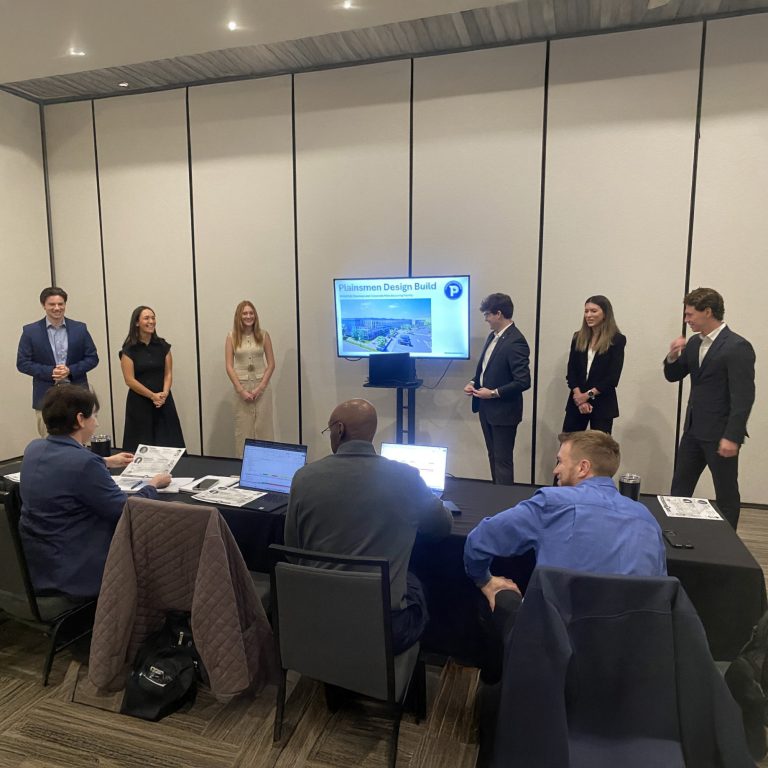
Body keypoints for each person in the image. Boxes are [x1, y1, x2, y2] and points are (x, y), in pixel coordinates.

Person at [285, 399, 453, 654]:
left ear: (339, 430)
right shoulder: (406, 477)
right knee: (415, 582)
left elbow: (292, 549)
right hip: (384, 628)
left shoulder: (303, 477)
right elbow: (442, 528)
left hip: (318, 619)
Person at [464, 430, 667, 611]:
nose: (555, 470)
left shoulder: (551, 504)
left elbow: (480, 540)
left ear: (583, 468)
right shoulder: (647, 519)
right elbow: (660, 591)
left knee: (497, 598)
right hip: (631, 638)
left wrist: (484, 580)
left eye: (560, 461)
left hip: (555, 637)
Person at [19, 385, 171, 598]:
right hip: (79, 571)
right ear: (80, 419)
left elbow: (64, 464)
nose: (97, 423)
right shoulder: (84, 463)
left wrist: (105, 461)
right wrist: (153, 485)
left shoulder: (33, 448)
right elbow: (126, 510)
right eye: (94, 416)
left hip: (39, 567)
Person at [664, 287, 755, 529]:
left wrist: (732, 436)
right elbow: (673, 375)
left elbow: (743, 397)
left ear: (707, 311)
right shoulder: (695, 343)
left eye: (690, 314)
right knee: (679, 489)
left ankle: (729, 545)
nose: (687, 319)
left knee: (726, 493)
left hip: (720, 434)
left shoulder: (737, 346)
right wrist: (672, 356)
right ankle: (675, 535)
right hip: (693, 430)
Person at [463, 293, 530, 485]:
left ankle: (504, 499)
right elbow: (486, 369)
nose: (486, 319)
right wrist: (473, 382)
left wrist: (493, 393)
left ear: (498, 314)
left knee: (502, 461)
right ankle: (495, 495)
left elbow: (523, 381)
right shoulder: (493, 336)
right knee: (493, 456)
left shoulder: (516, 341)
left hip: (504, 412)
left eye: (487, 315)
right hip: (486, 408)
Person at [16, 287, 99, 438]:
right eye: (52, 304)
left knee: (80, 439)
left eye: (61, 304)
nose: (57, 308)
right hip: (46, 396)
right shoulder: (30, 331)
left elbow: (92, 358)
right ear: (43, 305)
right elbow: (23, 363)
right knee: (49, 440)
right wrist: (50, 372)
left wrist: (70, 370)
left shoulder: (80, 329)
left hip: (77, 393)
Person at [119, 306, 185, 453]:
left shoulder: (163, 346)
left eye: (153, 318)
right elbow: (129, 380)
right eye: (146, 318)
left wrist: (164, 393)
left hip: (163, 400)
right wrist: (152, 396)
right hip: (140, 402)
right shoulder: (129, 350)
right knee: (142, 444)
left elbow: (168, 373)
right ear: (137, 323)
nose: (151, 321)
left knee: (168, 442)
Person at [563, 295, 626, 434]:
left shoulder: (617, 340)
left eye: (593, 311)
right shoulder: (578, 337)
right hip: (577, 401)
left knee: (599, 445)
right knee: (569, 442)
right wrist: (579, 397)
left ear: (605, 314)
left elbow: (612, 377)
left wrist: (588, 395)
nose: (588, 315)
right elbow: (571, 371)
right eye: (586, 311)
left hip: (602, 403)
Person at [224, 300, 275, 458]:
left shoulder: (264, 335)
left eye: (251, 313)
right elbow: (229, 366)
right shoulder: (231, 337)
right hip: (242, 389)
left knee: (264, 429)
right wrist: (241, 390)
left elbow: (271, 364)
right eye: (245, 313)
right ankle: (243, 465)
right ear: (239, 316)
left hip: (262, 388)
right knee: (243, 430)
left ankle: (265, 464)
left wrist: (261, 388)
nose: (248, 316)